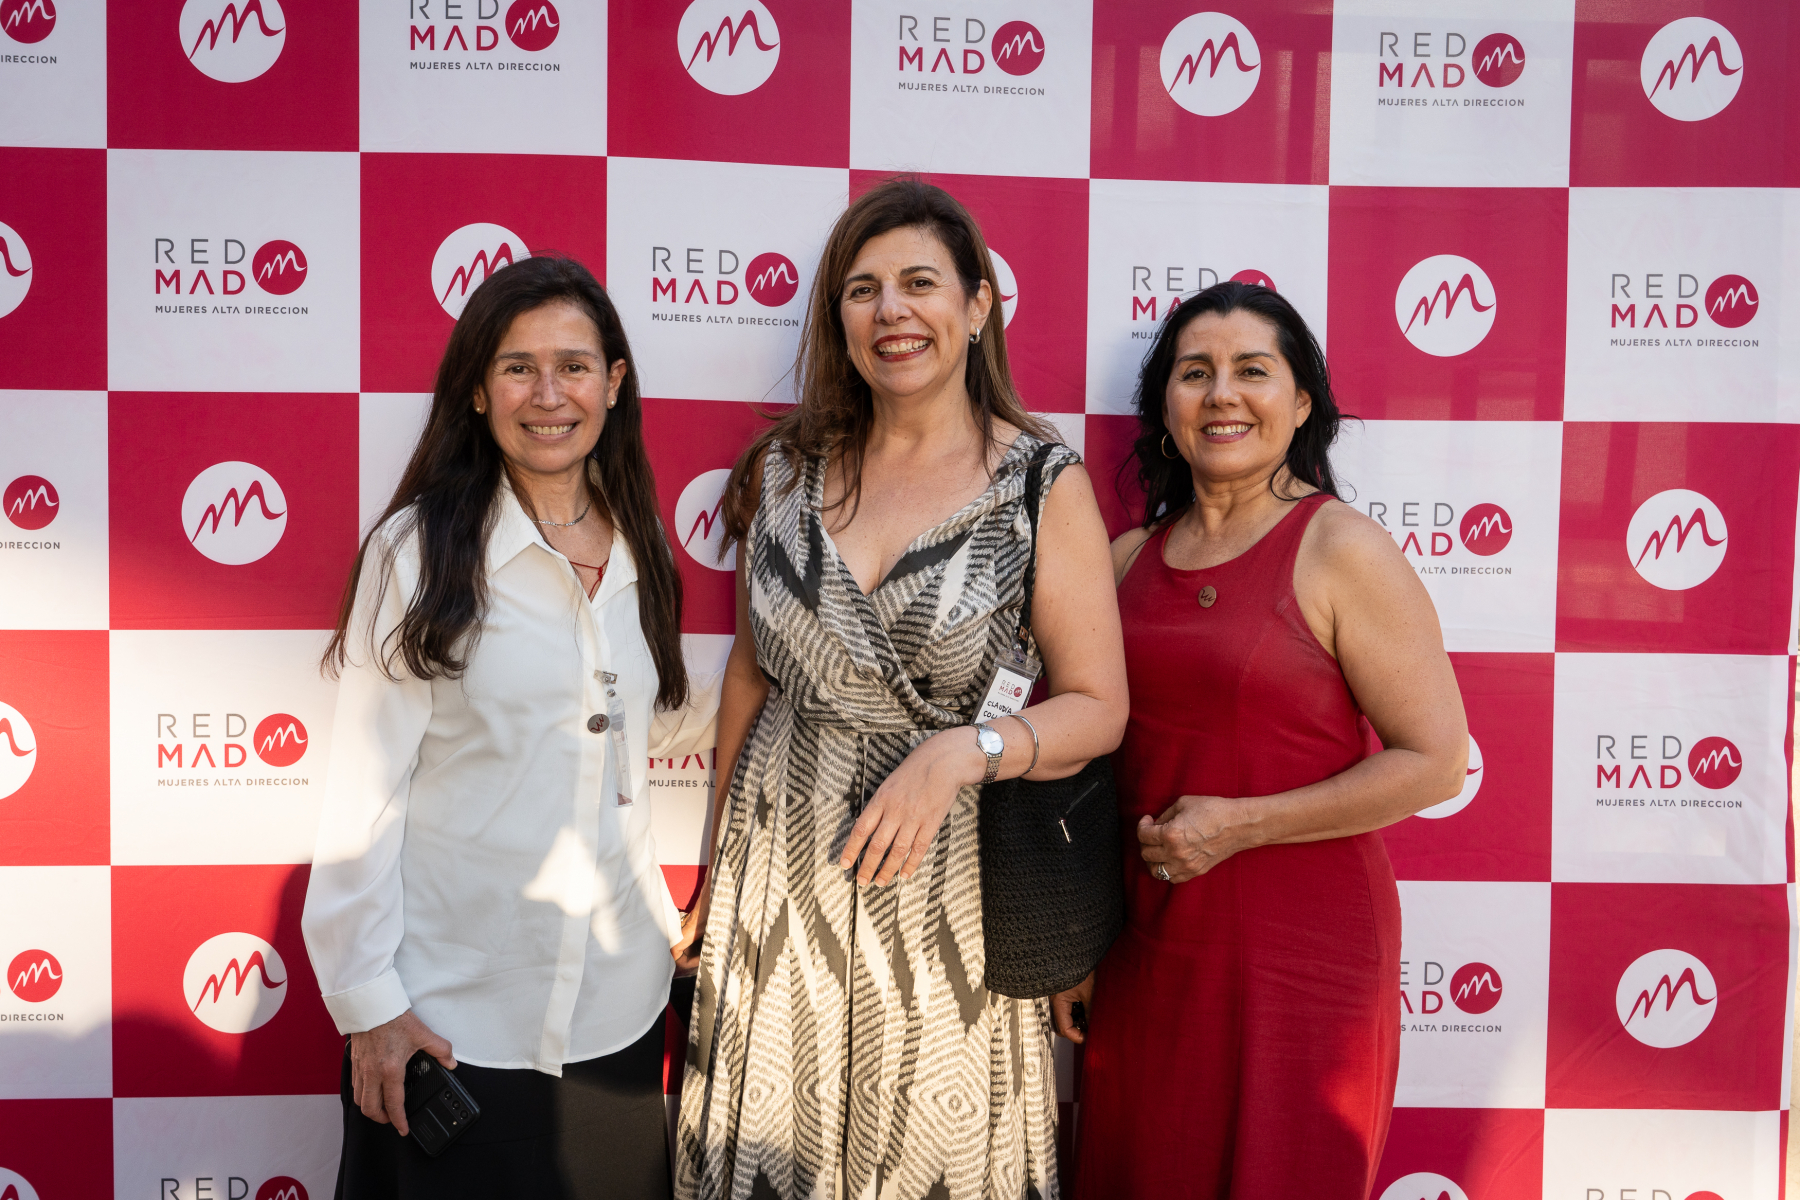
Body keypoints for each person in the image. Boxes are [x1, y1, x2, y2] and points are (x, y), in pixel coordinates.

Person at [671, 178, 1129, 1200]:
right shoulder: (782, 470)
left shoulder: (1040, 485)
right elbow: (751, 670)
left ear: (978, 305)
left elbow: (1100, 706)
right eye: (863, 289)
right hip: (778, 875)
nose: (892, 311)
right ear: (838, 317)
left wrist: (964, 752)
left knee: (934, 1162)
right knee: (772, 1152)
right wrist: (715, 864)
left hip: (948, 884)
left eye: (920, 283)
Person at [302, 254, 719, 1200]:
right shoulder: (417, 551)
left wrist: (784, 676)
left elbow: (633, 725)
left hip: (618, 1014)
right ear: (479, 391)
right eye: (518, 367)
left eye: (574, 366)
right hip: (453, 1025)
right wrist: (371, 1007)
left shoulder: (640, 545)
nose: (548, 394)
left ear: (615, 383)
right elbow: (364, 792)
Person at [1066, 281, 1469, 1198]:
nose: (1222, 395)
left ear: (1302, 403)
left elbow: (1437, 761)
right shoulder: (1122, 562)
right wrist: (1069, 947)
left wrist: (1242, 825)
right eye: (1194, 373)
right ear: (1165, 408)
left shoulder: (1341, 549)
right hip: (1145, 950)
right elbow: (1084, 766)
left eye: (1253, 370)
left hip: (1302, 956)